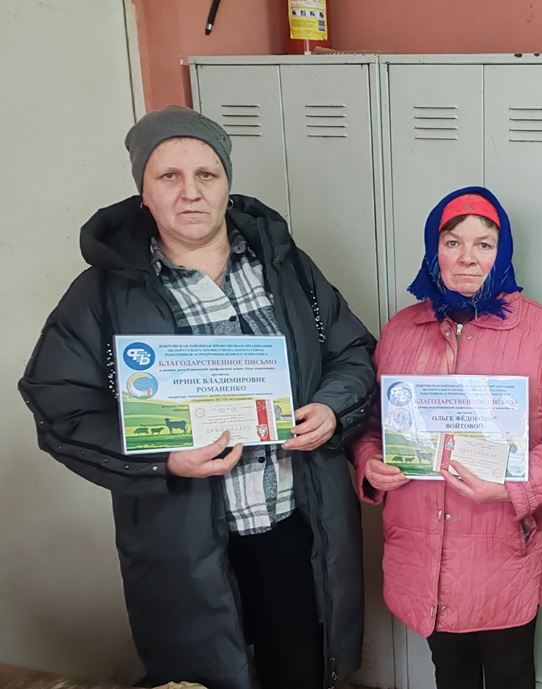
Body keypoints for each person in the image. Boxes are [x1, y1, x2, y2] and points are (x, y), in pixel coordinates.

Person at [18, 106, 376, 689]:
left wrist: (332, 408)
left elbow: (352, 352)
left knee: (300, 671)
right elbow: (61, 405)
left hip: (294, 522)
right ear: (143, 192)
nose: (191, 192)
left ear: (226, 183)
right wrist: (163, 458)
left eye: (206, 174)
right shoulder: (102, 293)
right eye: (170, 176)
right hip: (181, 540)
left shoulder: (286, 269)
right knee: (203, 679)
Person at [351, 187, 542, 689]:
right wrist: (370, 463)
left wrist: (514, 485)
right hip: (421, 550)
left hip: (503, 550)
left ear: (501, 252)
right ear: (434, 250)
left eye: (483, 244)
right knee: (451, 672)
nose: (467, 257)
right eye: (453, 242)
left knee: (511, 672)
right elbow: (371, 424)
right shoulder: (400, 331)